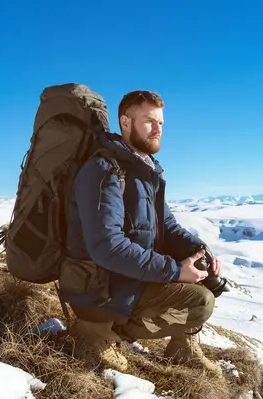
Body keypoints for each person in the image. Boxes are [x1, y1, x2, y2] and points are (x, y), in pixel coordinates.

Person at [57, 89, 223, 377]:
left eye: (161, 122)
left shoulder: (144, 171)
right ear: (125, 121)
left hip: (122, 279)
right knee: (200, 300)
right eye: (149, 121)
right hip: (98, 289)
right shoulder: (104, 169)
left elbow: (167, 227)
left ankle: (183, 350)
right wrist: (174, 271)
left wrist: (201, 252)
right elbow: (107, 247)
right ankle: (99, 335)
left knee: (205, 275)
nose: (158, 129)